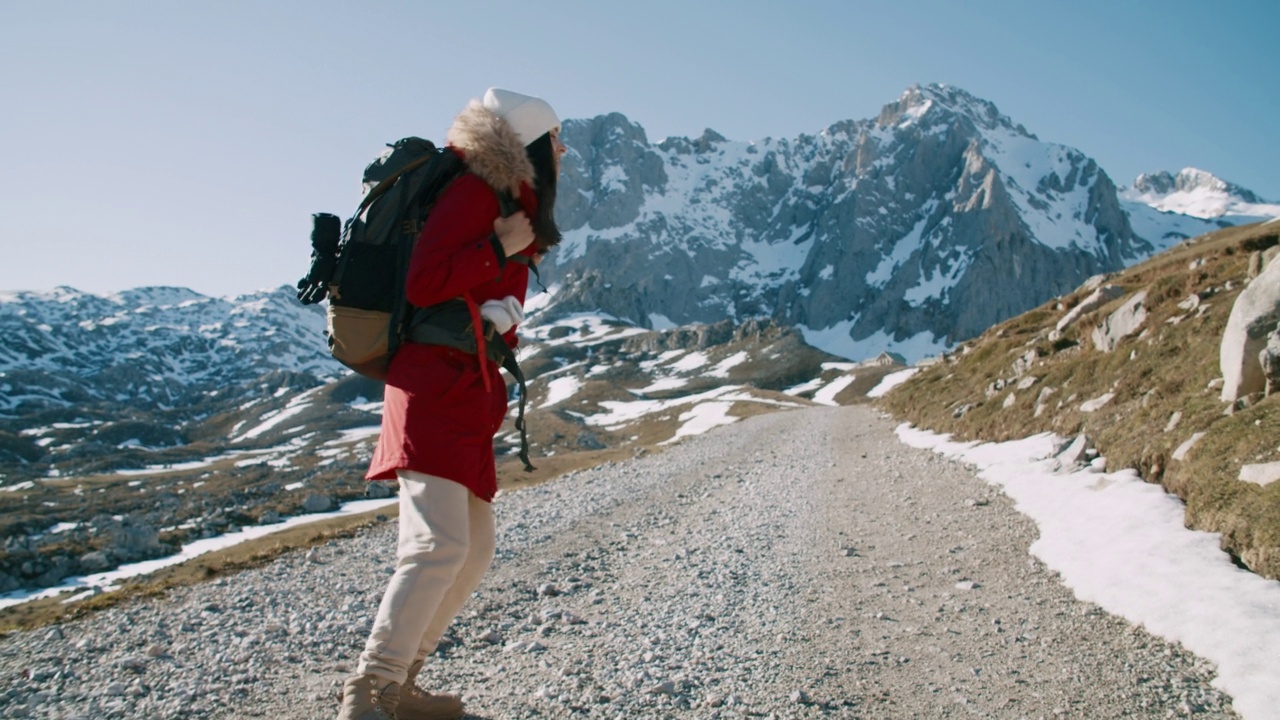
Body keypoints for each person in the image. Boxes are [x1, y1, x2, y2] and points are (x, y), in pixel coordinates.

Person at [336, 88, 567, 720]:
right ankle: (369, 689)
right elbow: (424, 281)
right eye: (555, 139)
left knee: (474, 547)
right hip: (433, 386)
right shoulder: (473, 192)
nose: (563, 150)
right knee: (437, 545)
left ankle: (400, 683)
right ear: (529, 146)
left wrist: (505, 274)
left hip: (463, 391)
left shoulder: (501, 202)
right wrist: (499, 249)